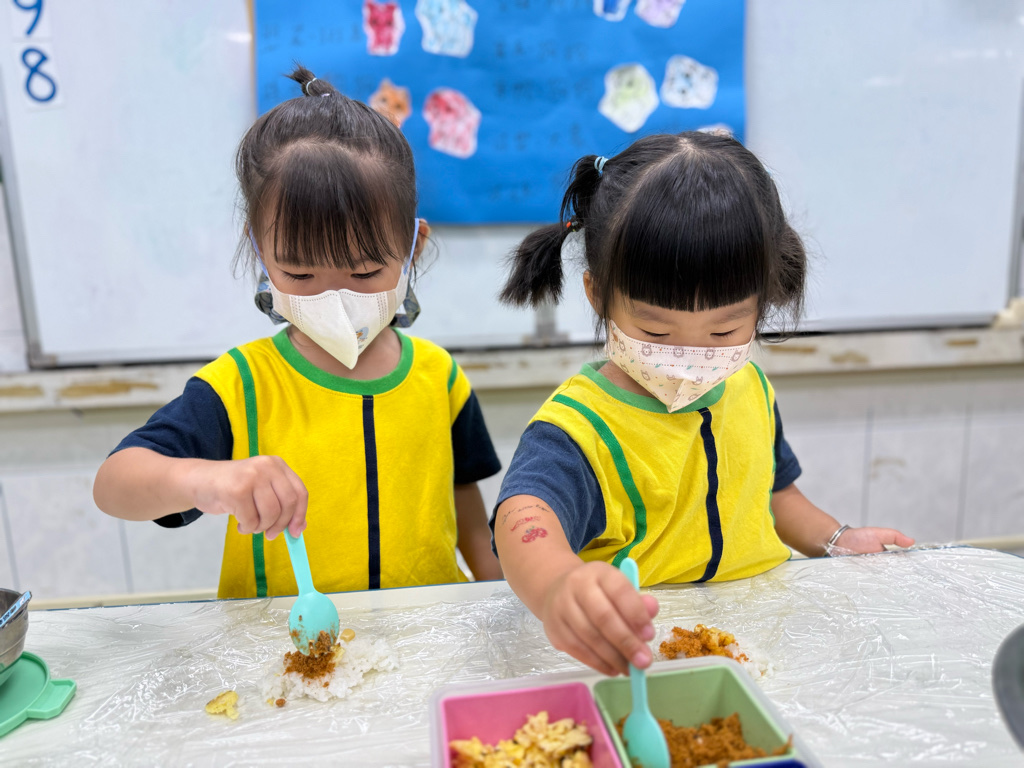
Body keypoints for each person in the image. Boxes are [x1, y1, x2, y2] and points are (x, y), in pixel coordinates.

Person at [492, 132, 914, 677]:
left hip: (761, 644)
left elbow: (775, 493)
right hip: (642, 658)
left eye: (723, 331)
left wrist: (837, 539)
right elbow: (524, 516)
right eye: (655, 331)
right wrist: (558, 586)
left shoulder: (749, 387)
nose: (689, 359)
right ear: (598, 295)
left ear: (763, 301)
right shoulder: (580, 428)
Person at [93, 66, 502, 598]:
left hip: (426, 634)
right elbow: (114, 484)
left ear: (412, 247)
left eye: (364, 273)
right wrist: (206, 480)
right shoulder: (241, 385)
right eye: (300, 275)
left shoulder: (439, 377)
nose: (333, 297)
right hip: (283, 641)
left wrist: (501, 598)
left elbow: (464, 498)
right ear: (260, 251)